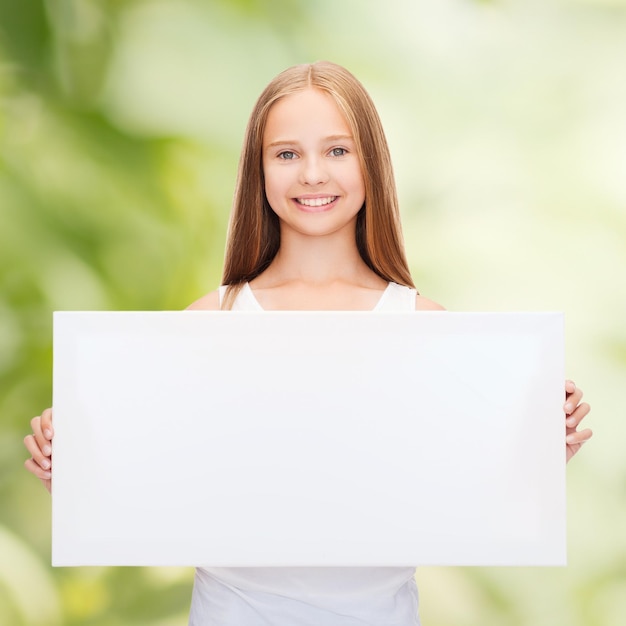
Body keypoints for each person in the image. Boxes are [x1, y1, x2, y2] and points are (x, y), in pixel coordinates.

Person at [24, 61, 593, 626]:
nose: (313, 174)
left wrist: (535, 457)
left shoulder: (421, 326)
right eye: (287, 153)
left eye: (338, 151)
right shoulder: (210, 323)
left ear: (372, 164)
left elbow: (464, 497)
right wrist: (75, 469)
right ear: (259, 171)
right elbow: (147, 490)